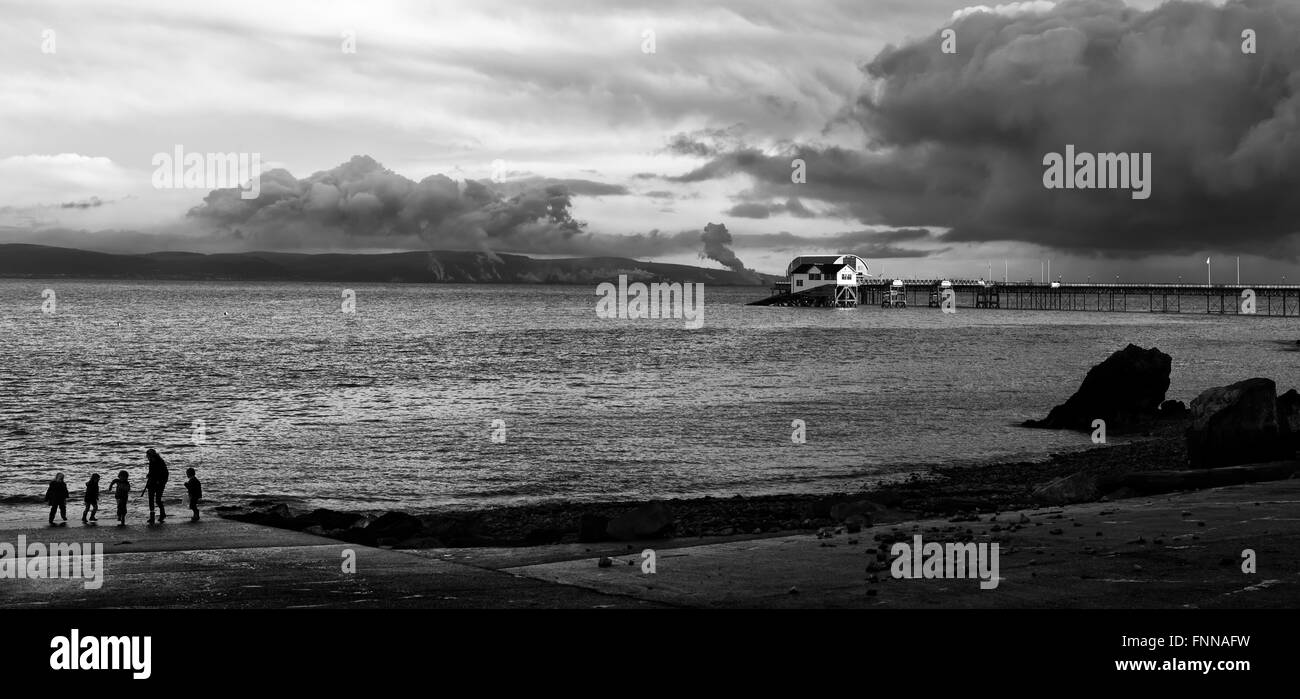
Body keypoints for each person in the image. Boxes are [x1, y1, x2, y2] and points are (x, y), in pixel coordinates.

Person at [143, 448, 169, 524]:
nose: (147, 457)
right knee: (152, 500)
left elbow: (165, 474)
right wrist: (149, 475)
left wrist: (160, 481)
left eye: (147, 455)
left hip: (159, 483)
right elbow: (152, 472)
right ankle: (153, 517)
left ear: (151, 455)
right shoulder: (152, 461)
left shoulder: (159, 462)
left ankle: (161, 515)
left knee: (157, 500)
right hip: (153, 482)